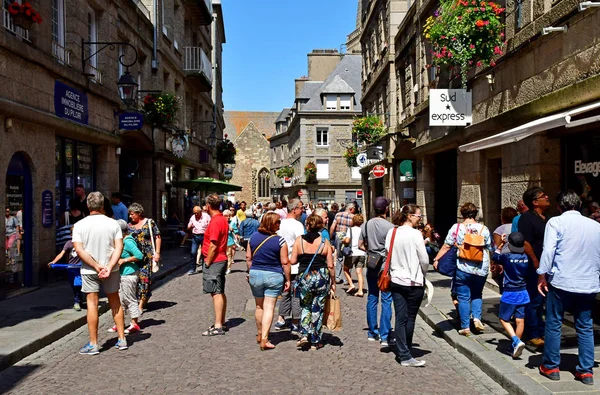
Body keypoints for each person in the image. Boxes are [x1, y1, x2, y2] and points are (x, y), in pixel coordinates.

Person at [537, 190, 600, 385]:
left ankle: (551, 366)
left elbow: (549, 250)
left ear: (559, 206)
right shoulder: (595, 226)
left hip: (562, 280)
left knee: (554, 322)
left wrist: (542, 274)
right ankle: (586, 371)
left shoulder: (556, 222)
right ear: (579, 205)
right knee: (585, 325)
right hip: (588, 281)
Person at [72, 192, 126, 354]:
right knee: (115, 302)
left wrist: (96, 266)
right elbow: (119, 247)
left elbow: (78, 249)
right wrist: (109, 266)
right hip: (112, 269)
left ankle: (93, 343)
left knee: (92, 305)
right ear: (103, 206)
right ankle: (122, 339)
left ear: (88, 206)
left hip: (89, 269)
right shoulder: (113, 224)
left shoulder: (79, 225)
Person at [433, 202, 493, 336]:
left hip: (463, 268)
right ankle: (477, 319)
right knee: (477, 294)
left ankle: (465, 327)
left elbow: (447, 245)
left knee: (463, 297)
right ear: (475, 214)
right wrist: (495, 263)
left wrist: (436, 259)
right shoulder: (484, 229)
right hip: (481, 268)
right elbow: (489, 247)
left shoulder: (457, 227)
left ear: (462, 214)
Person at [386, 205, 429, 367]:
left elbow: (387, 251)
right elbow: (424, 259)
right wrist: (423, 273)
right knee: (410, 317)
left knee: (400, 317)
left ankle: (403, 351)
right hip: (413, 280)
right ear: (410, 216)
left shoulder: (392, 232)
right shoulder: (416, 234)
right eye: (419, 215)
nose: (420, 218)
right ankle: (406, 353)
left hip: (396, 279)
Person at [290, 213, 335, 350]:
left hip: (305, 277)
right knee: (318, 308)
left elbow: (292, 261)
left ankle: (304, 334)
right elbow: (331, 265)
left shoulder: (299, 241)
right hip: (321, 277)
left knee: (305, 305)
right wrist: (333, 282)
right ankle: (316, 340)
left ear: (307, 225)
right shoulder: (324, 242)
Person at [246, 212, 291, 350]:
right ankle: (265, 339)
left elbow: (248, 258)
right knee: (269, 307)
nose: (280, 224)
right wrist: (288, 279)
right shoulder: (280, 240)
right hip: (273, 275)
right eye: (278, 222)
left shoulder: (252, 238)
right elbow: (285, 262)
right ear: (271, 223)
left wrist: (250, 272)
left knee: (259, 306)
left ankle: (260, 334)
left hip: (255, 274)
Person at [359, 197, 394, 345]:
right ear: (386, 209)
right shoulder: (390, 227)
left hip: (372, 264)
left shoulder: (365, 225)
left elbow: (360, 244)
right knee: (386, 299)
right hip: (385, 266)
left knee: (372, 297)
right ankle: (385, 335)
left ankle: (372, 332)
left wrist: (370, 252)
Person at [519, 187, 550, 348]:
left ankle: (542, 329)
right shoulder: (527, 218)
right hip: (535, 266)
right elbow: (525, 242)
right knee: (534, 299)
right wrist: (535, 261)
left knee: (544, 300)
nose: (547, 196)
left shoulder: (547, 218)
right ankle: (533, 333)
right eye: (543, 195)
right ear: (535, 202)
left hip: (549, 265)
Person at [492, 232, 530, 359]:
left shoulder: (506, 257)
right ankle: (515, 346)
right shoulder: (526, 257)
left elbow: (495, 256)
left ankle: (516, 341)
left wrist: (502, 244)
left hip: (510, 292)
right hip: (523, 291)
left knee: (503, 318)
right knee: (520, 320)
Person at [108, 220, 144, 334]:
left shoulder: (128, 241)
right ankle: (119, 323)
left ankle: (134, 323)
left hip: (130, 273)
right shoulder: (120, 241)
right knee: (120, 300)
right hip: (121, 274)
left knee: (130, 298)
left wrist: (125, 260)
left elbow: (139, 255)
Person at [275, 198, 305, 332]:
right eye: (301, 207)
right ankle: (295, 321)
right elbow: (300, 244)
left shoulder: (279, 224)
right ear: (294, 209)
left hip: (280, 264)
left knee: (284, 292)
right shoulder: (297, 225)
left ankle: (281, 319)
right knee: (295, 292)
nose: (302, 210)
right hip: (294, 264)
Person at [201, 193, 230, 336]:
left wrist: (207, 262)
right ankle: (221, 322)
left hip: (215, 260)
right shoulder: (222, 219)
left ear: (208, 206)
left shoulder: (215, 221)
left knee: (216, 292)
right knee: (219, 290)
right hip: (221, 259)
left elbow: (213, 245)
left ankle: (218, 325)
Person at [128, 203, 161, 313]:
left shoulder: (149, 223)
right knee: (135, 281)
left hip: (147, 257)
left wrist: (157, 253)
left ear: (139, 213)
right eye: (129, 214)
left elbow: (157, 237)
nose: (130, 217)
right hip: (134, 258)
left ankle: (141, 305)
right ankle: (142, 298)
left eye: (132, 214)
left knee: (145, 280)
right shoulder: (129, 226)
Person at [48, 226, 83, 311]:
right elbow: (61, 254)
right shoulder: (69, 243)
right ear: (71, 235)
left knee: (77, 284)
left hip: (80, 268)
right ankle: (79, 299)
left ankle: (77, 301)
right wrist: (54, 261)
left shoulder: (83, 243)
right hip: (71, 268)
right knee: (73, 285)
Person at [491, 207, 518, 293]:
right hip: (517, 257)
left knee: (504, 286)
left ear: (503, 217)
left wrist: (495, 262)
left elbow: (497, 246)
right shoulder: (519, 227)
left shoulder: (500, 229)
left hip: (504, 259)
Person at [330, 202, 356, 285]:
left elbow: (332, 227)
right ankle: (346, 278)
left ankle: (337, 277)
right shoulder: (353, 217)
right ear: (351, 209)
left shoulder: (338, 214)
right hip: (348, 237)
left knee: (339, 257)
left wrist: (331, 237)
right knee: (348, 257)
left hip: (339, 235)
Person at [343, 214, 366, 297]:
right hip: (362, 253)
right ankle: (360, 290)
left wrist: (343, 240)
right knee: (359, 272)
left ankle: (351, 284)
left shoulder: (351, 230)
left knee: (345, 269)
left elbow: (347, 240)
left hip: (352, 253)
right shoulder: (363, 230)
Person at [187, 205, 211, 275]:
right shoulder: (193, 217)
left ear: (200, 212)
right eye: (195, 213)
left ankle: (204, 267)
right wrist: (190, 227)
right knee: (193, 252)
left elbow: (210, 225)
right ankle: (192, 269)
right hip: (195, 236)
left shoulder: (206, 216)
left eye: (197, 213)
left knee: (204, 253)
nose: (196, 214)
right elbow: (188, 226)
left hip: (204, 236)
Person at [224, 210, 237, 275]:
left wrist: (232, 230)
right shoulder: (221, 223)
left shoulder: (232, 223)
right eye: (226, 216)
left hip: (229, 241)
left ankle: (228, 268)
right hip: (222, 242)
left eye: (229, 216)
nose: (228, 217)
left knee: (228, 255)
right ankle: (223, 267)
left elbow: (237, 231)